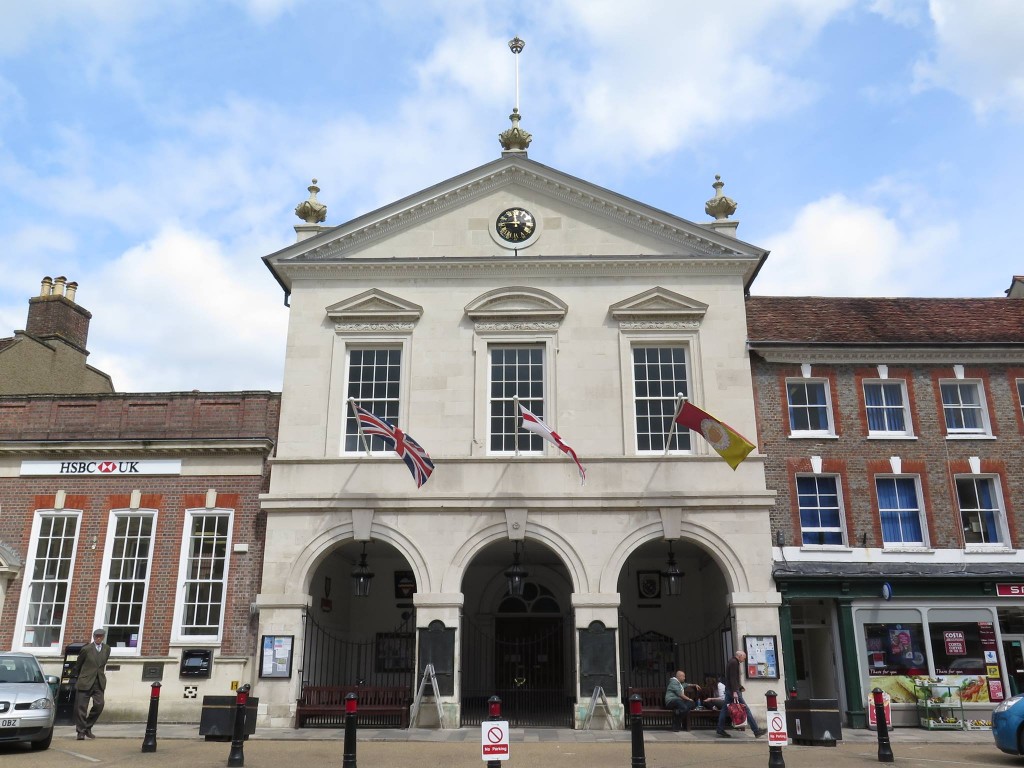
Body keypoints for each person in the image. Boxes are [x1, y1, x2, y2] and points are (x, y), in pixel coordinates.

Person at [716, 650, 766, 738]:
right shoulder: (734, 662)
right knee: (746, 709)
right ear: (739, 655)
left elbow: (732, 678)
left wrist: (739, 686)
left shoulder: (732, 661)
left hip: (730, 689)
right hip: (732, 691)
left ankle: (720, 729)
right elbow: (732, 678)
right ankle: (756, 731)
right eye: (744, 657)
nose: (744, 659)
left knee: (724, 709)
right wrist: (735, 691)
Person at [74, 628, 111, 740]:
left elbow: (102, 664)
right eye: (96, 636)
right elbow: (78, 665)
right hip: (85, 681)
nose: (98, 638)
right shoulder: (86, 649)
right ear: (93, 637)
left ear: (103, 637)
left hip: (99, 681)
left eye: (100, 636)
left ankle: (87, 727)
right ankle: (80, 731)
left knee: (99, 705)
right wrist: (80, 677)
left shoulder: (107, 649)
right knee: (81, 707)